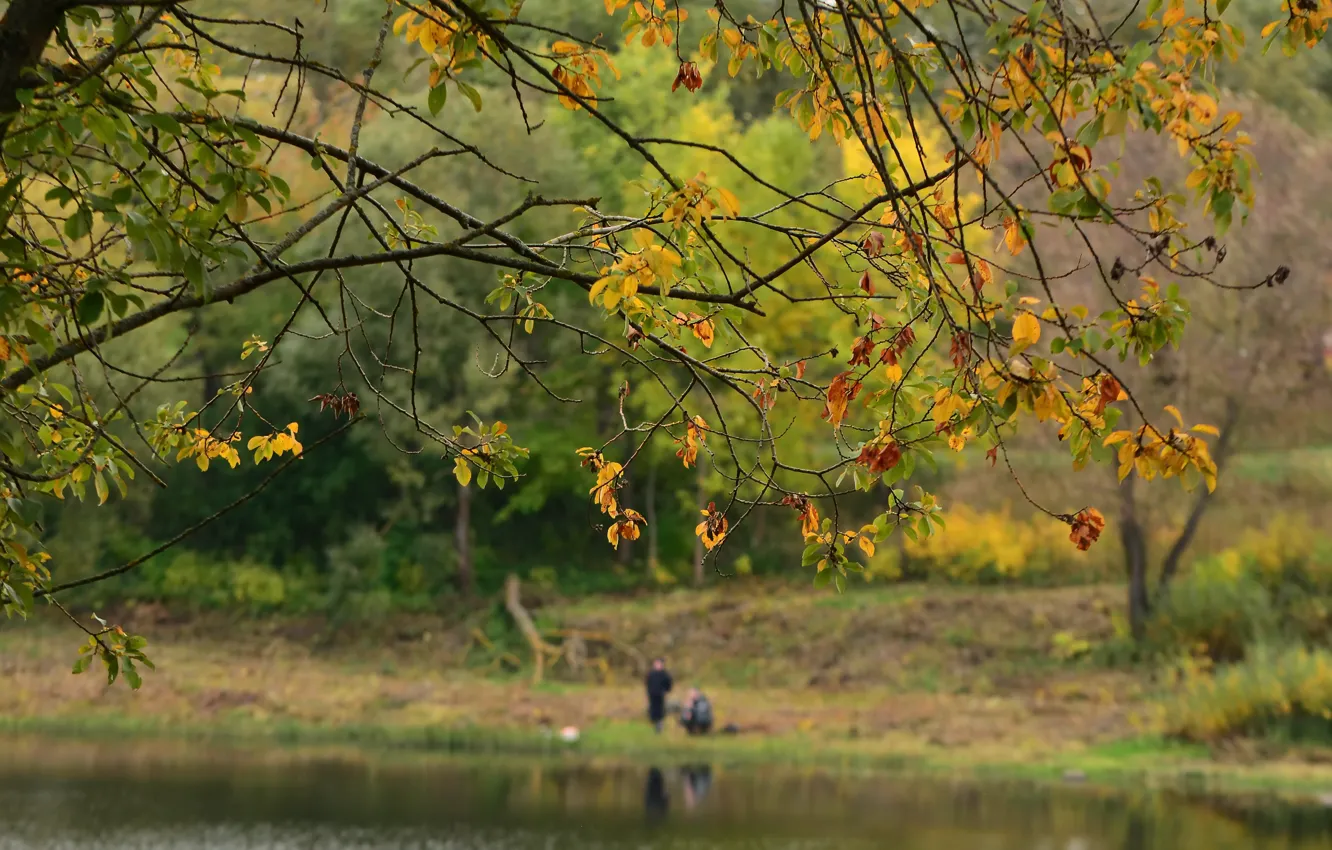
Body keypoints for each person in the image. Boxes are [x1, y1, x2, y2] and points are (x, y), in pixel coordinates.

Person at [644, 657, 673, 733]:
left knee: (660, 710)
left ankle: (659, 724)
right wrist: (649, 691)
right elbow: (647, 683)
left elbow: (669, 684)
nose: (658, 665)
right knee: (653, 709)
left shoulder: (665, 674)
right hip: (652, 694)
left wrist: (666, 690)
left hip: (661, 695)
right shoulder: (651, 674)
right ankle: (654, 722)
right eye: (656, 664)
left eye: (659, 664)